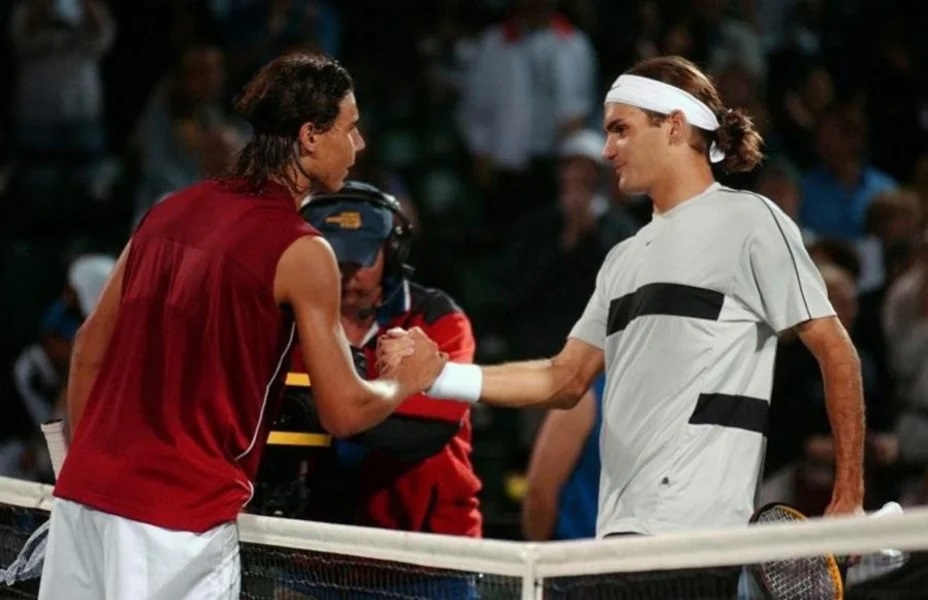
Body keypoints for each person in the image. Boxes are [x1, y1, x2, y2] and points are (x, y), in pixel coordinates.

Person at [381, 56, 865, 540]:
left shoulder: (752, 220)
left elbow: (834, 348)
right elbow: (563, 378)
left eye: (620, 129)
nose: (608, 150)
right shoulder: (622, 259)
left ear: (674, 127)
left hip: (697, 540)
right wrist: (441, 376)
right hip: (616, 541)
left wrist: (848, 494)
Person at [39, 53, 445, 600]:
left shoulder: (169, 208)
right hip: (174, 529)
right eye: (350, 129)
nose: (360, 145)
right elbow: (344, 410)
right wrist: (408, 378)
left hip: (82, 506)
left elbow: (89, 348)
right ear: (309, 136)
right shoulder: (304, 250)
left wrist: (87, 476)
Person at [253, 180, 482, 537]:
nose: (346, 271)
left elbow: (429, 430)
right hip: (312, 546)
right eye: (332, 256)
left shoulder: (436, 320)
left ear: (392, 253)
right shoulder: (283, 322)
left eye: (360, 257)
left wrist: (320, 410)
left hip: (429, 550)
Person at [522, 374, 604, 541]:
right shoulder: (586, 397)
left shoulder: (584, 397)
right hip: (581, 552)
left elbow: (539, 494)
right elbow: (540, 494)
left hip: (580, 553)